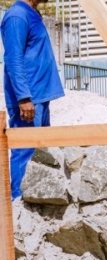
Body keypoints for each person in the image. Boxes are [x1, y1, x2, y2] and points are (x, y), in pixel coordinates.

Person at [1, 0, 64, 200]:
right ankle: (18, 205)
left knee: (40, 154)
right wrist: (24, 97)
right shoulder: (17, 15)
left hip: (39, 97)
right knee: (24, 154)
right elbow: (13, 59)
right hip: (29, 100)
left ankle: (35, 208)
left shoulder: (32, 13)